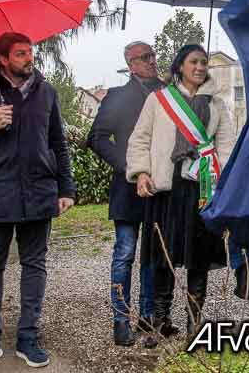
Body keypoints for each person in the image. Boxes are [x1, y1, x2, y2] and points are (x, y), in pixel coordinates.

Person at [0, 32, 75, 372]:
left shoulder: (46, 92)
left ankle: (28, 337)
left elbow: (58, 143)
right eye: (21, 54)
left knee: (34, 265)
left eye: (30, 52)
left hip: (38, 193)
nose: (29, 58)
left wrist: (66, 189)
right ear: (3, 59)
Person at [126, 44, 234, 347]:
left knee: (198, 259)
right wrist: (141, 172)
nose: (199, 67)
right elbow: (140, 139)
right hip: (167, 188)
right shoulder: (158, 100)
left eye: (203, 62)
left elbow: (226, 143)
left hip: (202, 189)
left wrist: (218, 173)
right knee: (164, 257)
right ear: (180, 66)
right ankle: (160, 323)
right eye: (193, 62)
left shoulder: (216, 104)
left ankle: (194, 325)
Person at [86, 41, 163, 347]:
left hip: (160, 188)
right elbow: (97, 138)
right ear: (131, 64)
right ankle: (121, 319)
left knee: (153, 256)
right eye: (144, 58)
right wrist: (128, 165)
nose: (152, 61)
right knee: (125, 254)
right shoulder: (118, 97)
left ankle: (148, 315)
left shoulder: (168, 94)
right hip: (127, 189)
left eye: (153, 56)